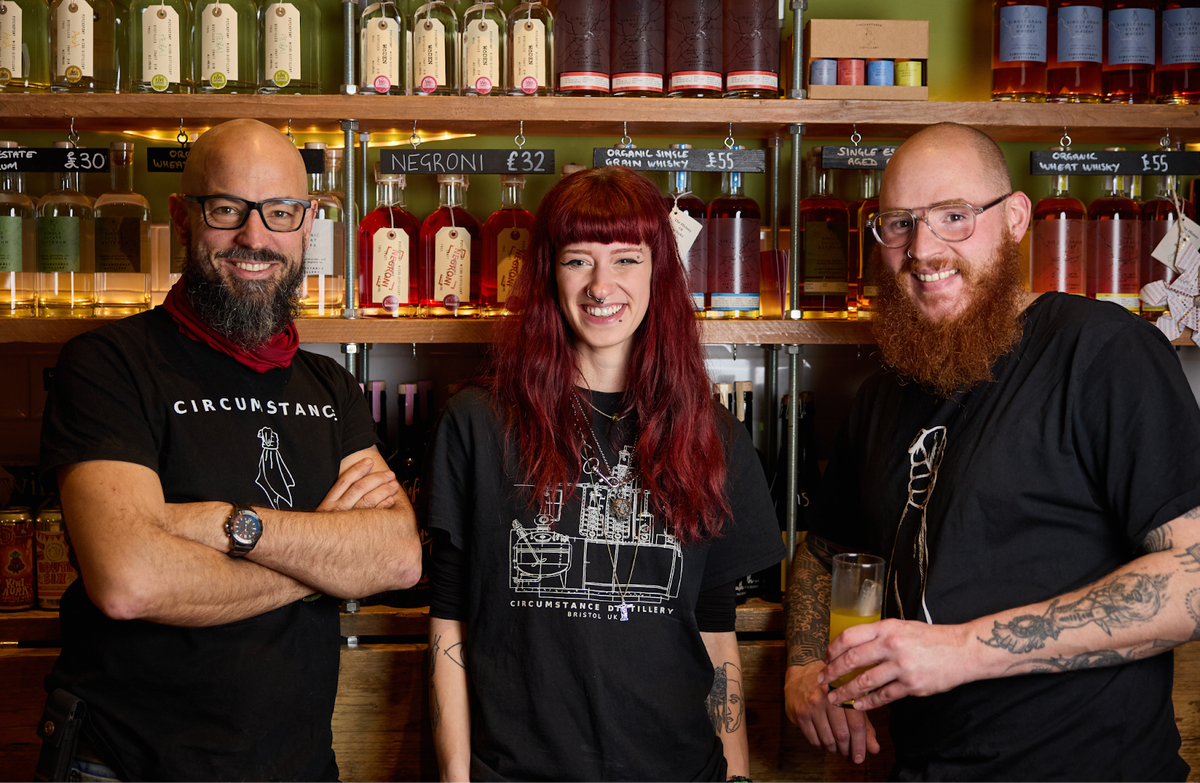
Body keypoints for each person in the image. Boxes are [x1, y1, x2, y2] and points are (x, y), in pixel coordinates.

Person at [783, 122, 1200, 781]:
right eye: (899, 224)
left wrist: (961, 651)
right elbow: (822, 552)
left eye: (954, 216)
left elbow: (1194, 578)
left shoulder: (1101, 351)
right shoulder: (882, 396)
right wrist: (805, 666)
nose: (923, 249)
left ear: (1014, 219)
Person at [35, 119, 423, 783]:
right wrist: (325, 559)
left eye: (280, 213)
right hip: (122, 766)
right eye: (227, 210)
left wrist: (217, 524)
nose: (255, 237)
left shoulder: (331, 388)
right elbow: (131, 581)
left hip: (298, 766)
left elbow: (395, 555)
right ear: (184, 218)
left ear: (306, 226)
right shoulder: (107, 365)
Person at [422, 166, 784, 783]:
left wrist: (739, 778)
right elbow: (449, 619)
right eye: (577, 260)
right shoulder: (477, 423)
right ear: (548, 274)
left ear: (658, 273)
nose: (601, 285)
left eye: (625, 258)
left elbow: (716, 635)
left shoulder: (711, 432)